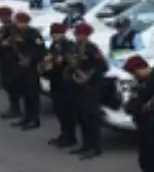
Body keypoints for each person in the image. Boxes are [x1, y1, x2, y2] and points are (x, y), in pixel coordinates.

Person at [69, 23, 108, 159]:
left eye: (81, 35)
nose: (79, 37)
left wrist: (88, 76)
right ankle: (86, 144)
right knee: (81, 116)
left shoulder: (92, 49)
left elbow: (103, 66)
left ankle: (95, 147)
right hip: (78, 87)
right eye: (77, 34)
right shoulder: (75, 48)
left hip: (91, 87)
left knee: (91, 117)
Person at [44, 23, 79, 148]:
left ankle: (70, 136)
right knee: (59, 110)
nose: (55, 36)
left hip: (66, 83)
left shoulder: (69, 46)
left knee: (67, 111)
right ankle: (64, 133)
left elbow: (72, 63)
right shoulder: (54, 46)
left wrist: (60, 61)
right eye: (53, 34)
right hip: (56, 81)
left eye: (58, 34)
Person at [11, 13, 45, 130]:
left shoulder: (34, 34)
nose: (18, 24)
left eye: (20, 22)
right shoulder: (16, 32)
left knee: (32, 95)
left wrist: (31, 59)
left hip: (32, 68)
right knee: (24, 93)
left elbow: (41, 51)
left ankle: (34, 119)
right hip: (20, 67)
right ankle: (27, 117)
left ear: (26, 23)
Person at [0, 8, 22, 118]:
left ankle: (15, 109)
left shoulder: (12, 28)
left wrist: (3, 41)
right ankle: (14, 108)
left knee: (11, 85)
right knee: (7, 85)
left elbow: (16, 43)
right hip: (5, 59)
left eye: (0, 16)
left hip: (11, 61)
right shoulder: (5, 27)